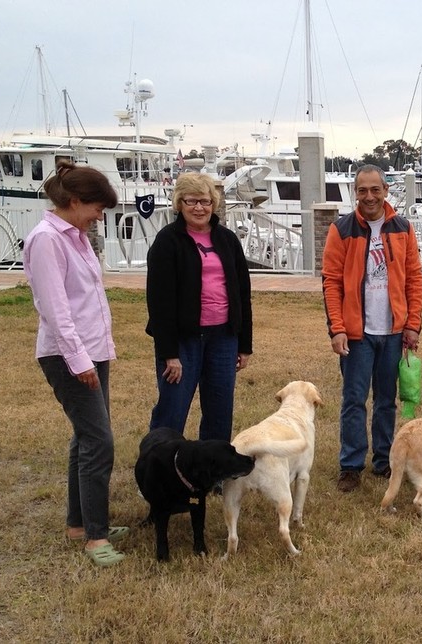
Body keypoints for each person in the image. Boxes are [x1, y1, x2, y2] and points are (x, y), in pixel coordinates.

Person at [23, 160, 126, 567]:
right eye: (97, 207)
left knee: (85, 438)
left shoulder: (78, 237)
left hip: (93, 351)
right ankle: (96, 538)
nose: (101, 216)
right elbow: (55, 310)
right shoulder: (47, 240)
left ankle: (79, 524)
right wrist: (78, 360)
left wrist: (97, 353)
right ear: (75, 200)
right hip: (68, 356)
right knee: (99, 442)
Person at [322, 164, 422, 493]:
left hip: (393, 331)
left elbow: (414, 280)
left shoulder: (403, 228)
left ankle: (383, 459)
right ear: (356, 192)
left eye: (375, 189)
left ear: (385, 190)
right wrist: (337, 328)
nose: (369, 196)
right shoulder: (342, 230)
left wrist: (413, 325)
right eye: (362, 190)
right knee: (354, 400)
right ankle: (351, 465)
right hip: (357, 333)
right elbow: (331, 283)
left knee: (385, 400)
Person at [145, 172, 253, 442]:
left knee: (220, 411)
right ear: (179, 203)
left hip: (223, 337)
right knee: (173, 408)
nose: (199, 208)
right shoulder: (167, 242)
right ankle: (159, 472)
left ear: (213, 204)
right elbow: (159, 302)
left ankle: (213, 473)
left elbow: (242, 293)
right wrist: (169, 353)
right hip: (183, 340)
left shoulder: (227, 240)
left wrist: (244, 344)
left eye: (205, 201)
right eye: (191, 201)